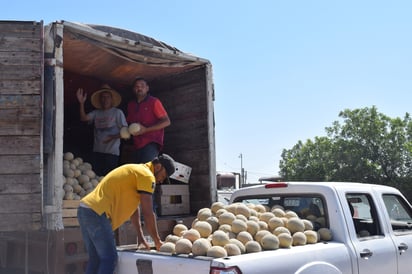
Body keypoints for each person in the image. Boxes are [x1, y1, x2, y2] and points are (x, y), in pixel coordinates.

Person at [77, 154, 176, 274]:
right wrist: (157, 241)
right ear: (158, 166)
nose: (161, 180)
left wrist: (140, 237)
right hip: (97, 213)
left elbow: (134, 209)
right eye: (163, 176)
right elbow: (148, 212)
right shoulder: (147, 176)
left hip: (85, 209)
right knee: (109, 259)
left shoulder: (137, 171)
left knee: (96, 260)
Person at [76, 84, 128, 176]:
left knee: (108, 179)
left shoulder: (117, 112)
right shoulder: (96, 113)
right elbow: (84, 118)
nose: (105, 99)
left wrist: (112, 137)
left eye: (107, 97)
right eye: (103, 97)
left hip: (112, 154)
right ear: (100, 100)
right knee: (96, 178)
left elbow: (126, 133)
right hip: (97, 152)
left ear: (111, 99)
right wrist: (81, 103)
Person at [126, 77, 171, 164]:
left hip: (151, 143)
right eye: (136, 86)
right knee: (136, 172)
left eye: (142, 86)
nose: (139, 88)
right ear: (133, 89)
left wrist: (146, 129)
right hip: (136, 144)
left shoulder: (154, 102)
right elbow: (129, 123)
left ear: (147, 88)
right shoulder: (131, 105)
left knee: (145, 171)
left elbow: (167, 121)